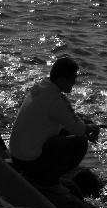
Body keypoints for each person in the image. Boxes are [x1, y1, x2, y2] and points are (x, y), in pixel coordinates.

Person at [9, 56, 100, 189]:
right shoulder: (55, 99)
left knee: (75, 126)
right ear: (62, 79)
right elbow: (79, 130)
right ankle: (46, 180)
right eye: (72, 78)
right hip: (28, 161)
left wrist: (84, 124)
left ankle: (43, 173)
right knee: (80, 142)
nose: (74, 82)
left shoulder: (42, 87)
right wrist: (93, 127)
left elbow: (69, 119)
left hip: (17, 154)